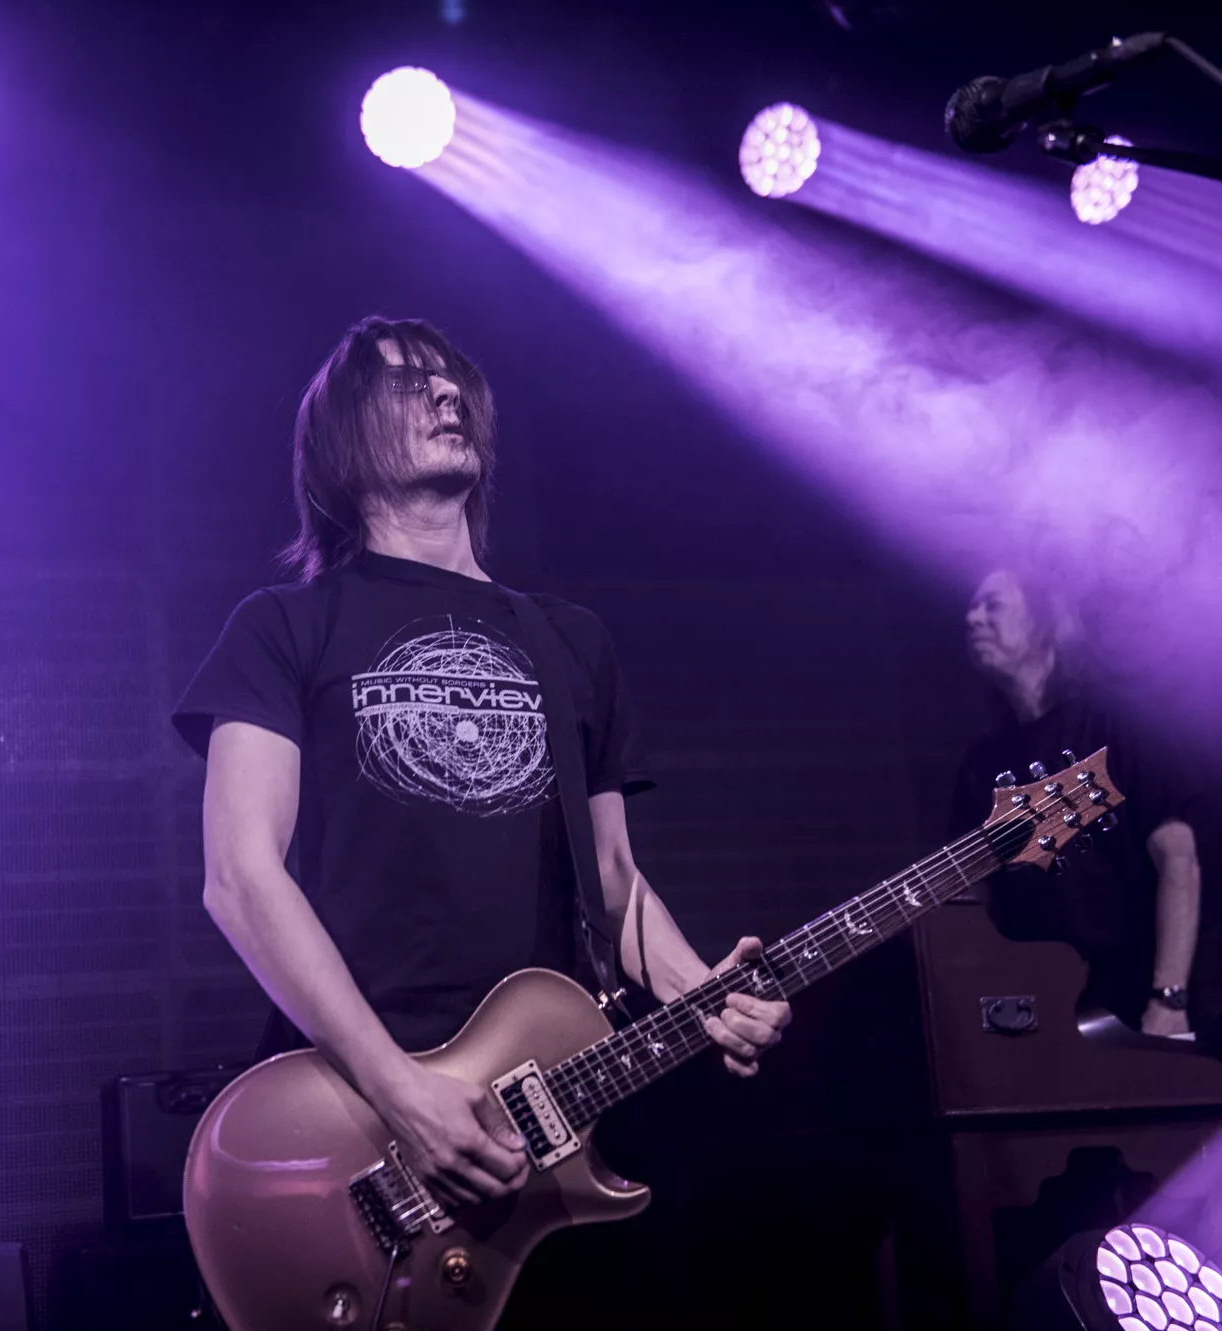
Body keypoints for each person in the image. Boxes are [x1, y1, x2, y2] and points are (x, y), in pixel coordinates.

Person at [172, 315, 789, 1212]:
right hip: (362, 1115)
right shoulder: (284, 625)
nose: (447, 392)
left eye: (453, 378)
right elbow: (240, 877)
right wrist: (400, 1089)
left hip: (544, 1105)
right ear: (344, 437)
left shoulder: (567, 638)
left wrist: (704, 993)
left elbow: (612, 877)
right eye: (406, 382)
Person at [951, 568, 1222, 1040]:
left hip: (1140, 1000)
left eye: (993, 606)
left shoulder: (1117, 721)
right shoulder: (982, 762)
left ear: (1045, 620)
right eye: (971, 607)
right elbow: (975, 897)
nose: (972, 618)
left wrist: (1168, 997)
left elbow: (1179, 860)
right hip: (1044, 1013)